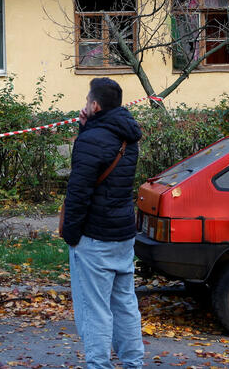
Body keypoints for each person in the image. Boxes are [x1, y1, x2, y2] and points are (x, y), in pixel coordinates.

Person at [60, 77, 144, 369]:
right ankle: (134, 364)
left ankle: (99, 365)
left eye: (87, 101)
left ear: (95, 105)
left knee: (95, 311)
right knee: (125, 305)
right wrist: (87, 128)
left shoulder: (92, 139)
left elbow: (78, 191)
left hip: (94, 238)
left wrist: (71, 235)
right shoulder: (127, 136)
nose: (84, 106)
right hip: (123, 234)